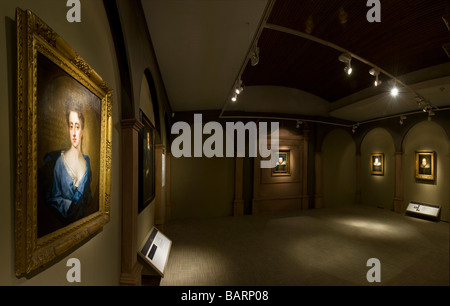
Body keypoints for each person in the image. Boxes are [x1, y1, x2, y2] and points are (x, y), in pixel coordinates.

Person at [41, 99, 92, 224]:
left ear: (83, 131)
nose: (74, 133)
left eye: (77, 127)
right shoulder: (60, 162)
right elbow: (53, 197)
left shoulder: (86, 163)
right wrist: (70, 208)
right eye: (71, 126)